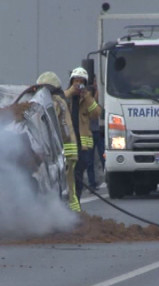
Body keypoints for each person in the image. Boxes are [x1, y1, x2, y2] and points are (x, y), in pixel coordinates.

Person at [36, 71, 81, 212]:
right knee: (69, 186)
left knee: (67, 188)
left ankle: (73, 216)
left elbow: (47, 121)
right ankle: (72, 214)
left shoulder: (54, 103)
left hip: (64, 152)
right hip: (69, 150)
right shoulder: (60, 100)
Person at [64, 67, 102, 200]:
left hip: (83, 146)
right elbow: (56, 106)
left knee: (79, 175)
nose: (78, 84)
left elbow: (96, 113)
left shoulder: (86, 100)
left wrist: (87, 97)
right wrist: (70, 92)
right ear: (71, 81)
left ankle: (76, 203)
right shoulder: (65, 97)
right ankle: (73, 204)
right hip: (69, 144)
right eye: (76, 81)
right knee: (71, 176)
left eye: (81, 81)